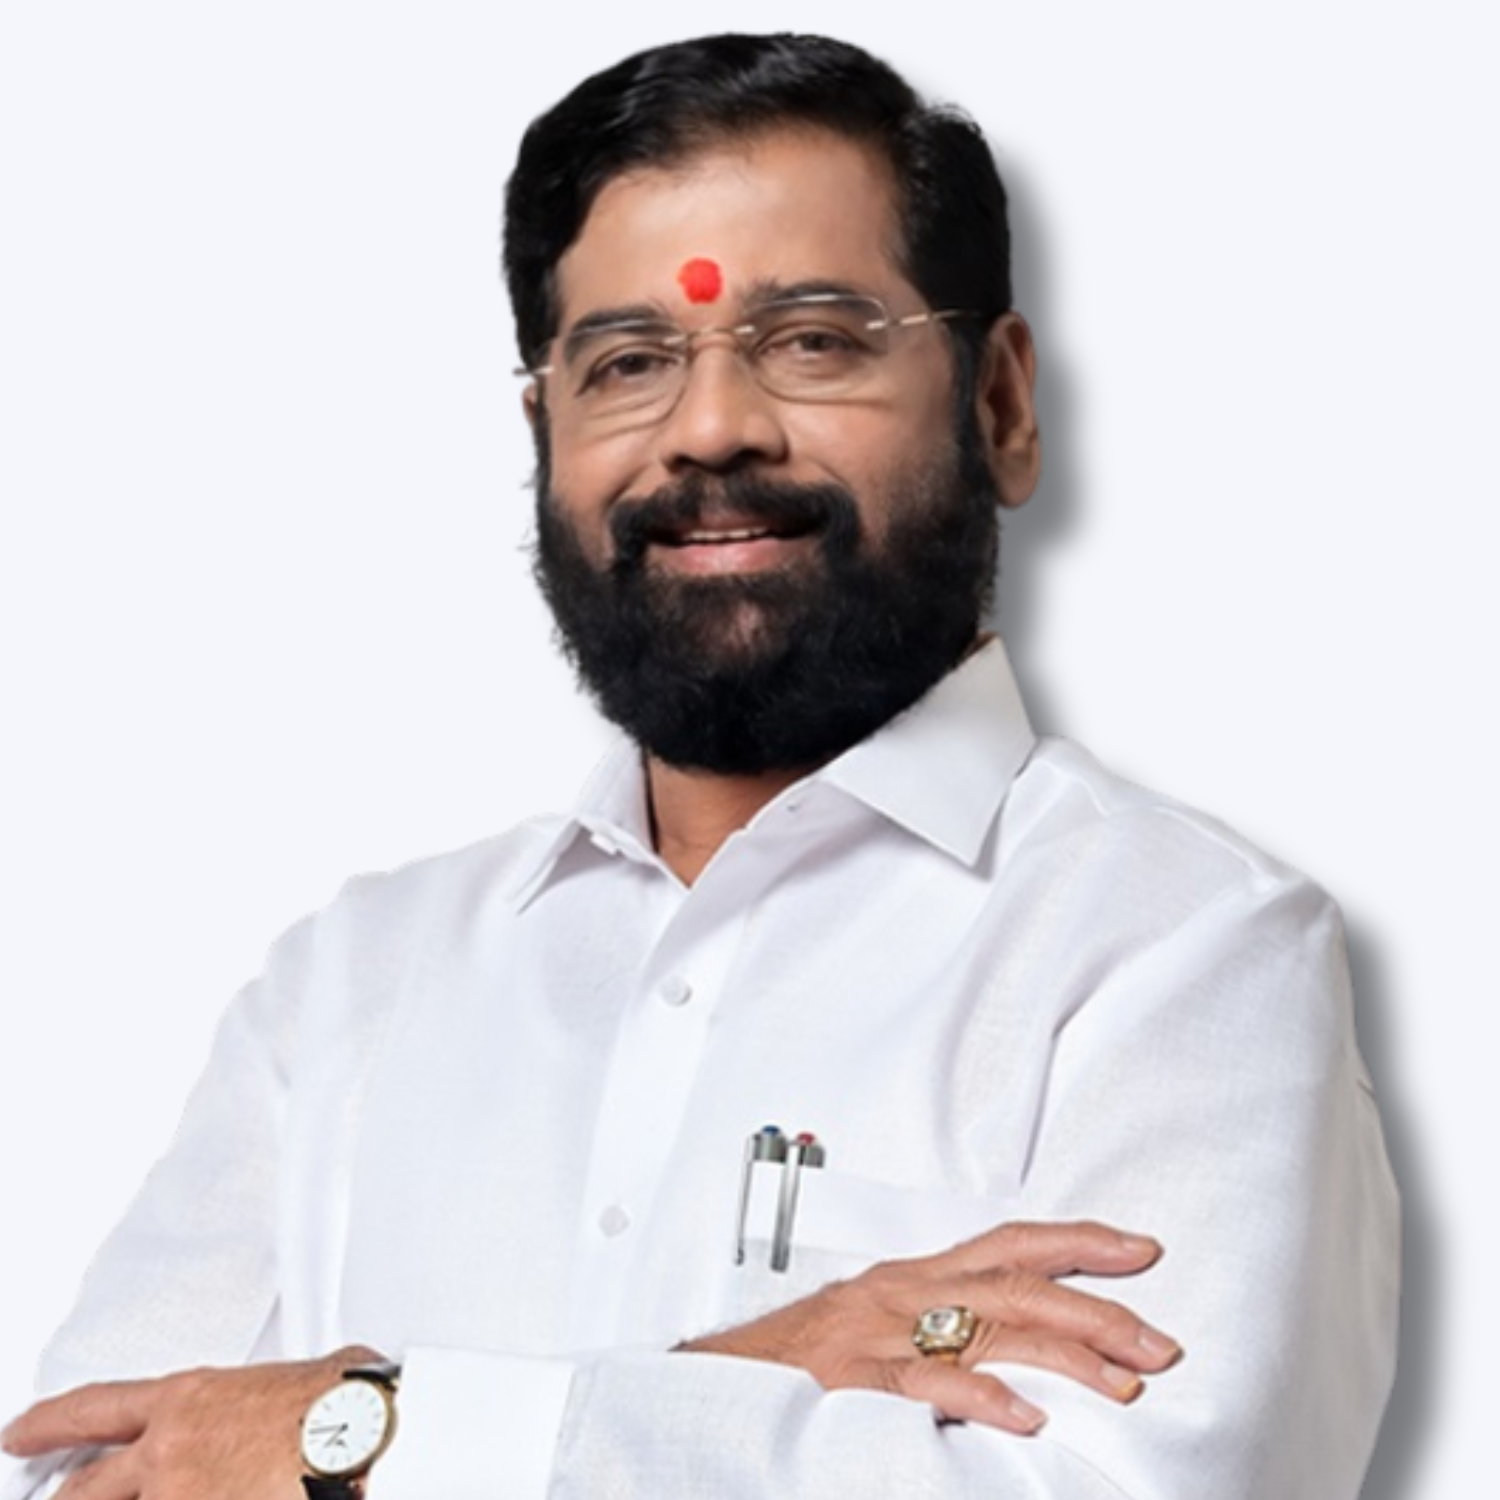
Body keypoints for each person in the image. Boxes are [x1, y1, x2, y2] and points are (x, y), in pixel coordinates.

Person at [0, 31, 1397, 1500]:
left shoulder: (1185, 953)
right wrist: (766, 1366)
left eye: (815, 341)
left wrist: (351, 1441)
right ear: (546, 431)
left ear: (1000, 404)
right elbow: (85, 1476)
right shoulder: (349, 988)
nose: (713, 429)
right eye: (629, 364)